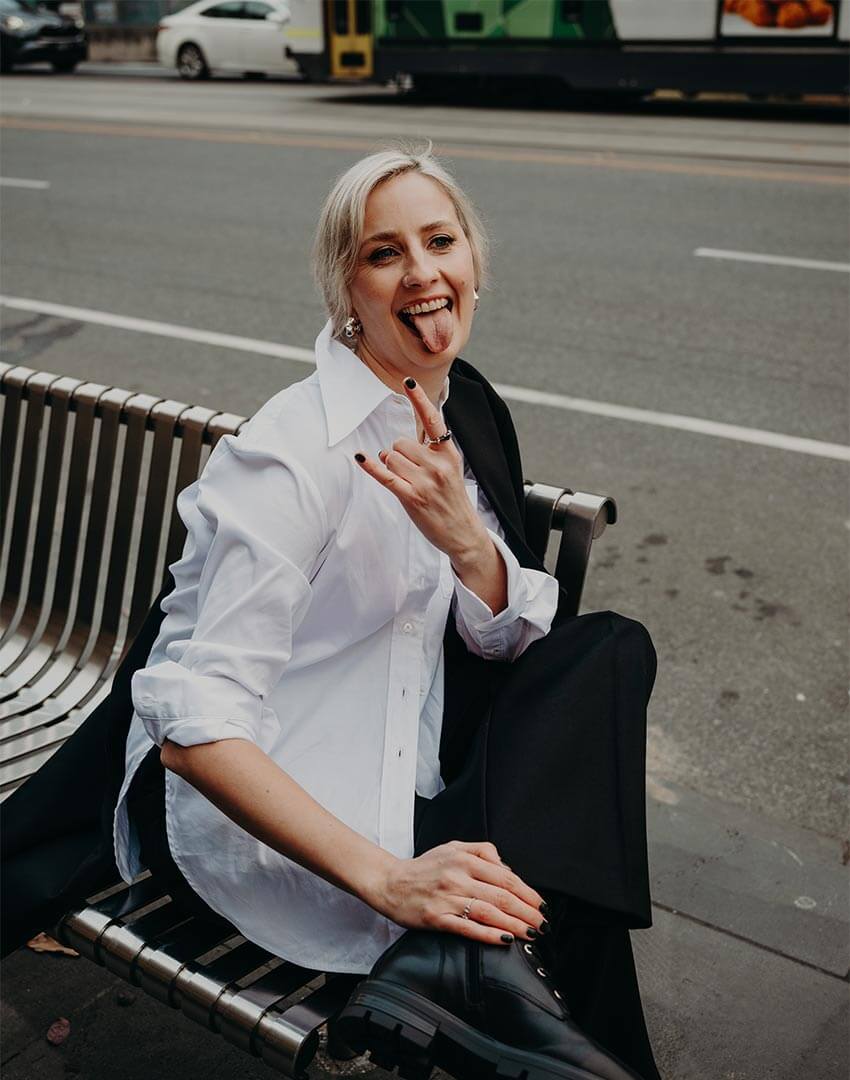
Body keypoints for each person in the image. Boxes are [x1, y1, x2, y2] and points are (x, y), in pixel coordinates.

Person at [7, 142, 661, 1080]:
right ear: (344, 289)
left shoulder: (461, 409)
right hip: (297, 822)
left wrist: (467, 543)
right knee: (555, 907)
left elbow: (507, 640)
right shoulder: (293, 454)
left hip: (421, 770)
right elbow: (196, 730)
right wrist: (392, 879)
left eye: (441, 241)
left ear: (475, 261)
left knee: (609, 650)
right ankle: (531, 1011)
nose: (424, 273)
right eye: (384, 253)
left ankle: (488, 986)